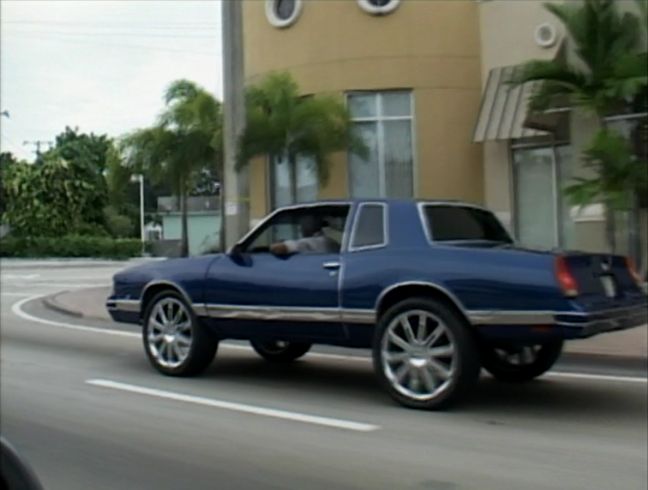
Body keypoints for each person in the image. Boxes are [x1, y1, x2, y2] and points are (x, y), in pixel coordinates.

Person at [270, 214, 338, 255]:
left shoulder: (306, 243)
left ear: (308, 226)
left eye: (302, 225)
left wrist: (271, 247)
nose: (300, 229)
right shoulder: (331, 242)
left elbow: (279, 248)